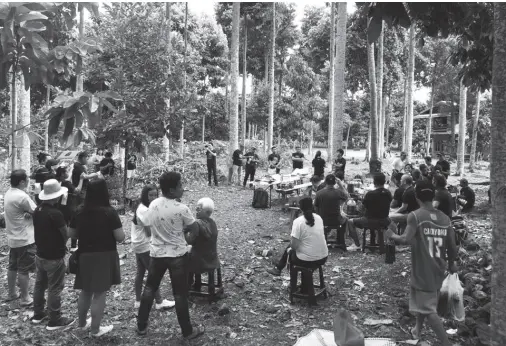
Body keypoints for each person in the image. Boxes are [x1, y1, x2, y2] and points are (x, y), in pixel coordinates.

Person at [386, 180, 457, 346]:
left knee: (429, 310)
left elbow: (405, 239)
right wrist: (452, 262)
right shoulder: (445, 219)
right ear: (433, 196)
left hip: (423, 268)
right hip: (439, 267)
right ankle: (417, 330)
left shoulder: (416, 216)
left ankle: (447, 344)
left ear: (417, 196)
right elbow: (452, 246)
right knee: (426, 301)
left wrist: (391, 235)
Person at [136, 172, 204, 340]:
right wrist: (187, 239)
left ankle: (141, 326)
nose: (183, 188)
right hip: (178, 256)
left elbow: (147, 224)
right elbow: (195, 229)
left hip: (157, 254)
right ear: (172, 190)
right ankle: (187, 331)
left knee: (150, 288)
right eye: (180, 185)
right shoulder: (182, 209)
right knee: (180, 294)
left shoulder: (153, 204)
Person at [69, 179, 125, 337]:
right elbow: (120, 237)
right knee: (99, 293)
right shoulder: (109, 212)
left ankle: (81, 324)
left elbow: (71, 234)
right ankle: (95, 330)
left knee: (86, 290)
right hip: (104, 255)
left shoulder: (79, 211)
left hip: (85, 254)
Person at [31, 179, 75, 329]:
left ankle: (38, 313)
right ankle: (54, 319)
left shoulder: (38, 210)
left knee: (40, 284)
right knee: (54, 287)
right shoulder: (56, 213)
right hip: (54, 256)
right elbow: (66, 233)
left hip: (40, 253)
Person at [131, 184, 174, 310]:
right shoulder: (144, 209)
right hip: (144, 245)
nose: (153, 197)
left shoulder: (145, 207)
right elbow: (149, 232)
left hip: (138, 243)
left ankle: (138, 300)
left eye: (155, 195)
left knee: (140, 273)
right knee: (153, 273)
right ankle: (159, 301)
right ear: (145, 195)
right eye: (150, 195)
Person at [266, 197, 328, 282]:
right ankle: (303, 285)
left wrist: (291, 248)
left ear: (300, 208)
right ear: (312, 206)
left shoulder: (298, 221)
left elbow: (294, 246)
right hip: (323, 257)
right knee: (294, 247)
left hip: (307, 260)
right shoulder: (319, 218)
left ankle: (292, 283)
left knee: (290, 252)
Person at [4, 170, 37, 305]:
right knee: (24, 269)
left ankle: (12, 293)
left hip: (13, 237)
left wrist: (26, 212)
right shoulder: (22, 196)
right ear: (22, 182)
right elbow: (37, 211)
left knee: (13, 266)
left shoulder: (8, 193)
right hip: (24, 238)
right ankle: (25, 297)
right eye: (27, 180)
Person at [348, 173, 393, 245]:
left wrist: (359, 203)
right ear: (384, 182)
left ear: (374, 182)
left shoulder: (370, 194)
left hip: (371, 221)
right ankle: (375, 241)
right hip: (385, 220)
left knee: (350, 222)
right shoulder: (388, 193)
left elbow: (361, 209)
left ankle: (357, 244)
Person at [186, 198, 220, 291]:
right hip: (212, 257)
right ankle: (196, 283)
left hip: (200, 260)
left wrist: (184, 233)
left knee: (185, 257)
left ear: (206, 212)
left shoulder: (197, 223)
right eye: (196, 208)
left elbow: (190, 241)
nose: (196, 211)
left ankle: (188, 283)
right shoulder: (212, 222)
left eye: (199, 209)